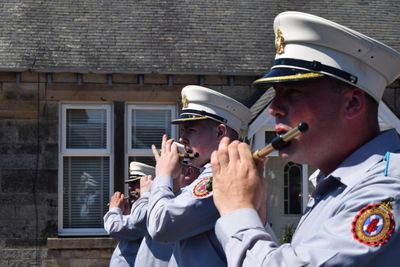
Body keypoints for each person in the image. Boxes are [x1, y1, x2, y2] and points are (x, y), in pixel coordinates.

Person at [211, 11, 400, 266]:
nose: (273, 108)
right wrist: (255, 211)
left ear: (352, 103)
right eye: (276, 92)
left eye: (293, 92)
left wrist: (237, 209)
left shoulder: (387, 190)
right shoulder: (334, 183)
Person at [147, 85, 252, 266]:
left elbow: (161, 227)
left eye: (191, 130)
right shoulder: (215, 175)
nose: (181, 139)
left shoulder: (222, 180)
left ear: (220, 132)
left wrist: (162, 175)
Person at [104, 161, 158, 267]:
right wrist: (125, 214)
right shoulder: (140, 207)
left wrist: (114, 210)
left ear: (149, 183)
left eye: (135, 183)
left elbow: (114, 228)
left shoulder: (151, 208)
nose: (130, 188)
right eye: (130, 184)